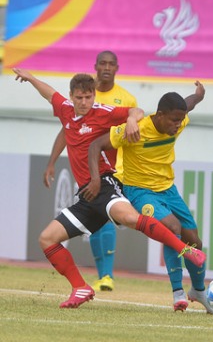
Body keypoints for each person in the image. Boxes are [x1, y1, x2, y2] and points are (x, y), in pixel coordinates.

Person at [13, 68, 206, 309]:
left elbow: (136, 111)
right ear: (71, 97)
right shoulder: (65, 111)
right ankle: (80, 287)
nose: (84, 102)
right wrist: (31, 78)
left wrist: (132, 121)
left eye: (89, 97)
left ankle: (185, 250)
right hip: (87, 194)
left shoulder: (103, 113)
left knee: (131, 218)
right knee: (47, 239)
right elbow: (49, 92)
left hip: (104, 183)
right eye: (80, 98)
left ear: (94, 96)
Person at [88, 82, 213, 315]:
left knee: (194, 241)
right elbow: (95, 145)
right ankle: (178, 292)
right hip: (139, 191)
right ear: (159, 115)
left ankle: (198, 291)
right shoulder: (135, 130)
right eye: (173, 120)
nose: (178, 124)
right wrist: (95, 179)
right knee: (172, 227)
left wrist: (199, 96)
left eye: (180, 120)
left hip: (168, 190)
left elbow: (188, 104)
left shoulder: (178, 121)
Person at [43, 51, 136, 293]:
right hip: (89, 173)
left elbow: (136, 124)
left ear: (117, 67)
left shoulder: (125, 98)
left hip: (117, 171)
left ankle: (106, 275)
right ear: (95, 67)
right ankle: (104, 276)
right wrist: (52, 161)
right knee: (97, 223)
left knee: (116, 218)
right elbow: (67, 129)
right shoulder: (79, 99)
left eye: (110, 64)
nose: (106, 67)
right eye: (102, 63)